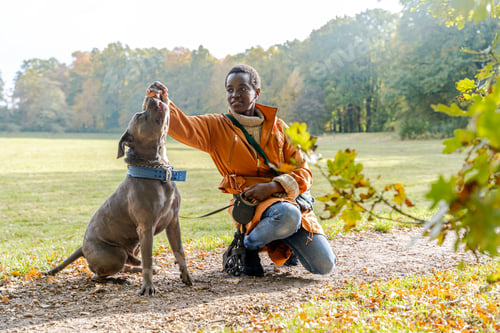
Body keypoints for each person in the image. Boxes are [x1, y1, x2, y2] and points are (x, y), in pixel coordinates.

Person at [146, 64, 336, 276]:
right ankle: (248, 245)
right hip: (251, 207)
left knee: (325, 265)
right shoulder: (216, 127)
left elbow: (304, 172)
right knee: (288, 215)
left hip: (288, 202)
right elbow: (184, 126)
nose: (235, 94)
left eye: (242, 88)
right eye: (230, 90)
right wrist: (162, 103)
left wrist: (273, 186)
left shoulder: (280, 128)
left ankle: (283, 238)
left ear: (257, 92)